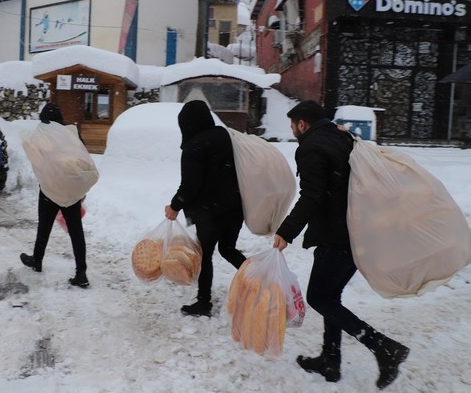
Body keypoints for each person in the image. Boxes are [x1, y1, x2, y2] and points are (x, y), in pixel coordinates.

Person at [272, 100, 409, 390]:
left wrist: (287, 230)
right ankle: (330, 361)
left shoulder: (310, 147)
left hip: (337, 234)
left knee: (319, 298)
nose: (293, 131)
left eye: (293, 125)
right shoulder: (342, 136)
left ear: (302, 124)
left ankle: (382, 346)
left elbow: (312, 195)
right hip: (358, 229)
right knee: (331, 296)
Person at [164, 100, 245, 317]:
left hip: (210, 212)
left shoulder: (194, 146)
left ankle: (203, 303)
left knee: (204, 254)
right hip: (235, 208)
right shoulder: (226, 136)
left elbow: (191, 184)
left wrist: (175, 205)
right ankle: (260, 280)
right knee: (228, 249)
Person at [20, 102, 90, 288]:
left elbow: (36, 158)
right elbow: (83, 160)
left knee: (44, 226)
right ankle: (81, 273)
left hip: (50, 189)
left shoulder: (42, 135)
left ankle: (37, 260)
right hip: (70, 190)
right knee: (76, 231)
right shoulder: (71, 134)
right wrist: (80, 189)